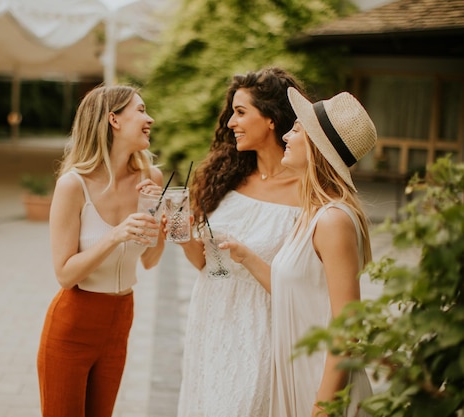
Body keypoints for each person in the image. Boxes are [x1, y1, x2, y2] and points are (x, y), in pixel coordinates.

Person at [223, 87, 376, 417]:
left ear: (318, 149)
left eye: (297, 130)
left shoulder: (334, 220)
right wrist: (246, 256)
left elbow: (347, 325)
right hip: (297, 376)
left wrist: (322, 406)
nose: (287, 135)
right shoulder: (311, 212)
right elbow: (295, 294)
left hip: (322, 385)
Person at [176, 68, 305, 417]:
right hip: (211, 319)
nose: (232, 122)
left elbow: (307, 286)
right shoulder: (227, 178)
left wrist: (247, 256)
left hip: (261, 328)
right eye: (232, 112)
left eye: (241, 112)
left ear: (272, 120)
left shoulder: (306, 194)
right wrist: (185, 235)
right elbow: (207, 264)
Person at [36, 85, 165, 417]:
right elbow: (65, 275)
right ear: (114, 120)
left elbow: (150, 260)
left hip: (121, 320)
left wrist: (162, 219)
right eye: (140, 110)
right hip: (73, 324)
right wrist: (116, 236)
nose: (149, 118)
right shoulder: (73, 185)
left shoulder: (151, 177)